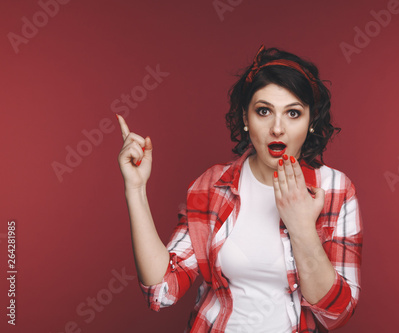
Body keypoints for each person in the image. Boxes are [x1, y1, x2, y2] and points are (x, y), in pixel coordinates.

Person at [116, 45, 363, 333]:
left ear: (311, 122)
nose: (278, 128)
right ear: (246, 119)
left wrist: (302, 229)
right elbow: (161, 292)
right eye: (263, 111)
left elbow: (337, 315)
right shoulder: (212, 185)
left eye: (293, 113)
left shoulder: (336, 190)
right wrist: (136, 190)